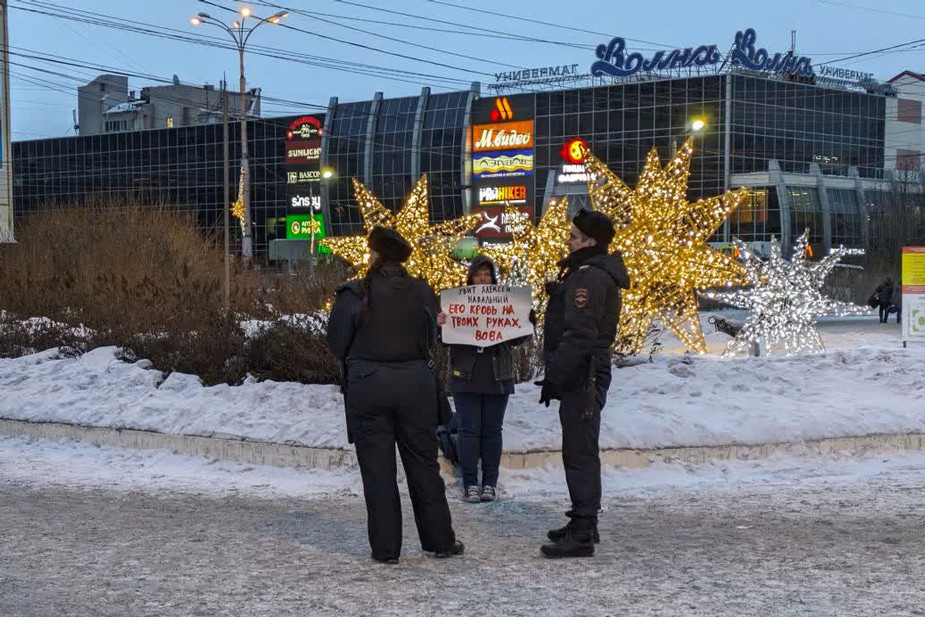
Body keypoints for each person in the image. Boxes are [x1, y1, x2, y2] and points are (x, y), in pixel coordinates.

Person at [327, 226, 464, 565]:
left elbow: (336, 344)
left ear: (374, 255)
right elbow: (433, 336)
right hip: (416, 387)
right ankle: (440, 540)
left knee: (378, 471)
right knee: (423, 466)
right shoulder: (422, 292)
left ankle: (386, 549)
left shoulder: (354, 293)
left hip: (369, 388)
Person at [534, 208, 630, 559]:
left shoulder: (588, 278)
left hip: (582, 372)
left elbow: (581, 333)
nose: (567, 240)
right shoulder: (586, 274)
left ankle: (583, 530)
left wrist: (556, 377)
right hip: (584, 370)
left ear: (590, 241)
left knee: (579, 452)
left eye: (573, 236)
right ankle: (582, 521)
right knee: (579, 448)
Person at [437, 255, 533, 504]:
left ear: (493, 278)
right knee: (469, 431)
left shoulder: (506, 303)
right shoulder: (456, 303)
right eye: (479, 274)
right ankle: (470, 483)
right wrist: (441, 326)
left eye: (487, 275)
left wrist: (527, 322)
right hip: (465, 377)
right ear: (471, 277)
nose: (482, 279)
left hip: (497, 375)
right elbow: (443, 339)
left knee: (492, 432)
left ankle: (489, 483)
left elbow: (516, 339)